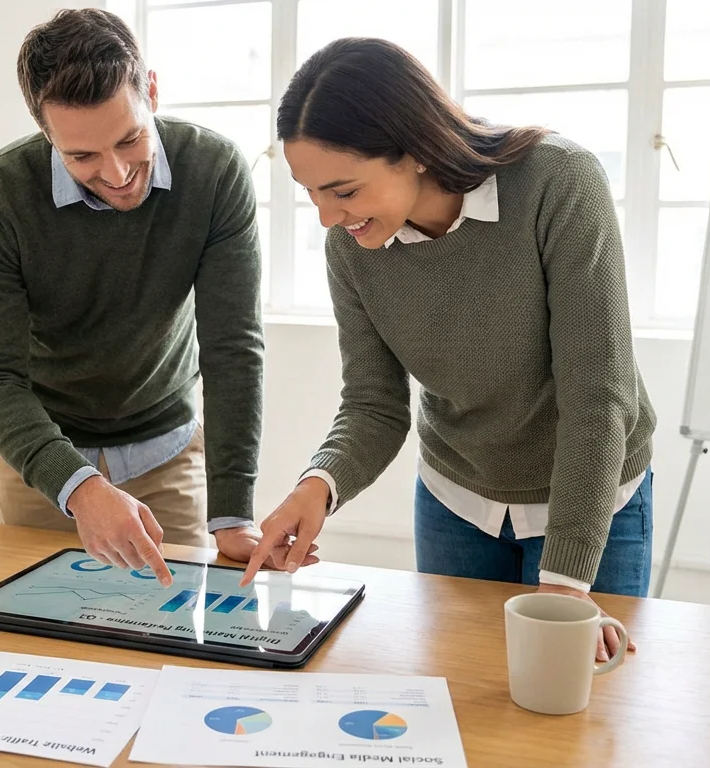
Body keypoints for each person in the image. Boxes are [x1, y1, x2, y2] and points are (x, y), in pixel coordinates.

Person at [241, 38, 656, 662]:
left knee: (584, 721)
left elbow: (598, 396)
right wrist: (317, 485)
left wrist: (567, 583)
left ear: (412, 152)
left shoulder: (557, 184)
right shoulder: (352, 248)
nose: (327, 217)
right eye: (311, 192)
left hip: (590, 506)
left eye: (344, 191)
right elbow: (375, 406)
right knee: (462, 698)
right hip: (456, 501)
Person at [0, 9, 305, 585]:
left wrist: (233, 512)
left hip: (165, 454)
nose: (116, 173)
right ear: (46, 133)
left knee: (169, 646)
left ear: (153, 92)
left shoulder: (213, 172)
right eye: (81, 156)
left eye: (130, 138)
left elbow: (232, 349)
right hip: (41, 461)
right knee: (39, 647)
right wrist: (79, 487)